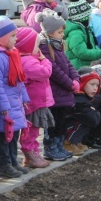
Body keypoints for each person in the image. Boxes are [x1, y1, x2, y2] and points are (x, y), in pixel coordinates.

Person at [0, 16, 29, 178]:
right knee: (4, 137)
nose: (15, 39)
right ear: (2, 37)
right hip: (4, 106)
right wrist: (3, 106)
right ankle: (4, 164)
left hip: (14, 102)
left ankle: (13, 161)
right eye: (12, 36)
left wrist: (24, 98)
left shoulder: (12, 54)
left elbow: (20, 79)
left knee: (14, 134)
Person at [36, 10, 76, 161]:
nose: (62, 34)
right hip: (54, 93)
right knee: (52, 122)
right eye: (60, 32)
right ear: (51, 32)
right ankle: (50, 147)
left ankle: (59, 144)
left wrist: (75, 78)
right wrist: (70, 83)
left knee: (61, 121)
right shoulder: (45, 47)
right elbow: (54, 71)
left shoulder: (58, 45)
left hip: (64, 92)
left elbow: (68, 64)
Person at [15, 27, 53, 169]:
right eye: (36, 45)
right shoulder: (28, 61)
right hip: (34, 102)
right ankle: (29, 152)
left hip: (35, 101)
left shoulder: (28, 59)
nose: (39, 49)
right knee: (32, 129)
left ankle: (34, 152)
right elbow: (45, 72)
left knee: (34, 129)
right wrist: (45, 60)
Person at [66, 68, 101, 156]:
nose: (95, 88)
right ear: (82, 83)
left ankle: (75, 142)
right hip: (65, 127)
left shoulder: (85, 98)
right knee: (82, 121)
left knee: (86, 120)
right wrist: (95, 112)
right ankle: (67, 143)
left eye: (97, 85)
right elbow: (92, 119)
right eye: (92, 84)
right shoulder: (78, 99)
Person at [65, 0, 101, 69]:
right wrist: (99, 53)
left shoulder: (85, 29)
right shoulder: (76, 33)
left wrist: (99, 51)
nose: (91, 17)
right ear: (84, 19)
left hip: (86, 65)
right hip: (80, 67)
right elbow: (82, 53)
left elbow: (92, 45)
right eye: (89, 15)